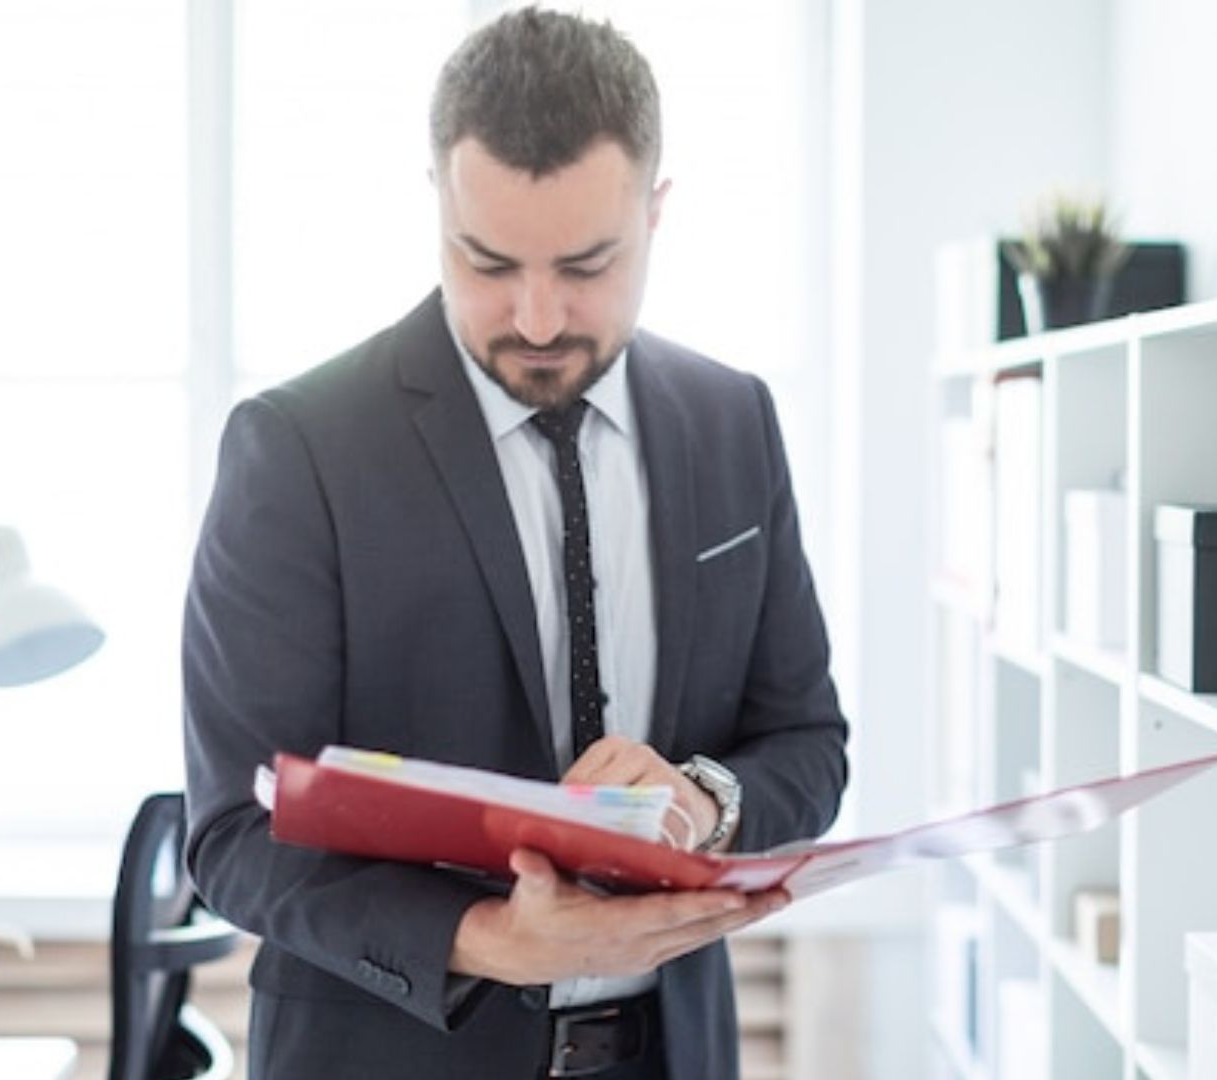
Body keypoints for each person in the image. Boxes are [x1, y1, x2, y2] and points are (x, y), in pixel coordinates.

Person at [181, 8, 848, 1078]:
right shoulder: (298, 447)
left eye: (588, 264)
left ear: (657, 212)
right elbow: (230, 833)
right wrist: (495, 940)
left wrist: (707, 801)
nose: (537, 319)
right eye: (486, 261)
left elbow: (807, 738)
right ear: (436, 203)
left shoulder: (735, 422)